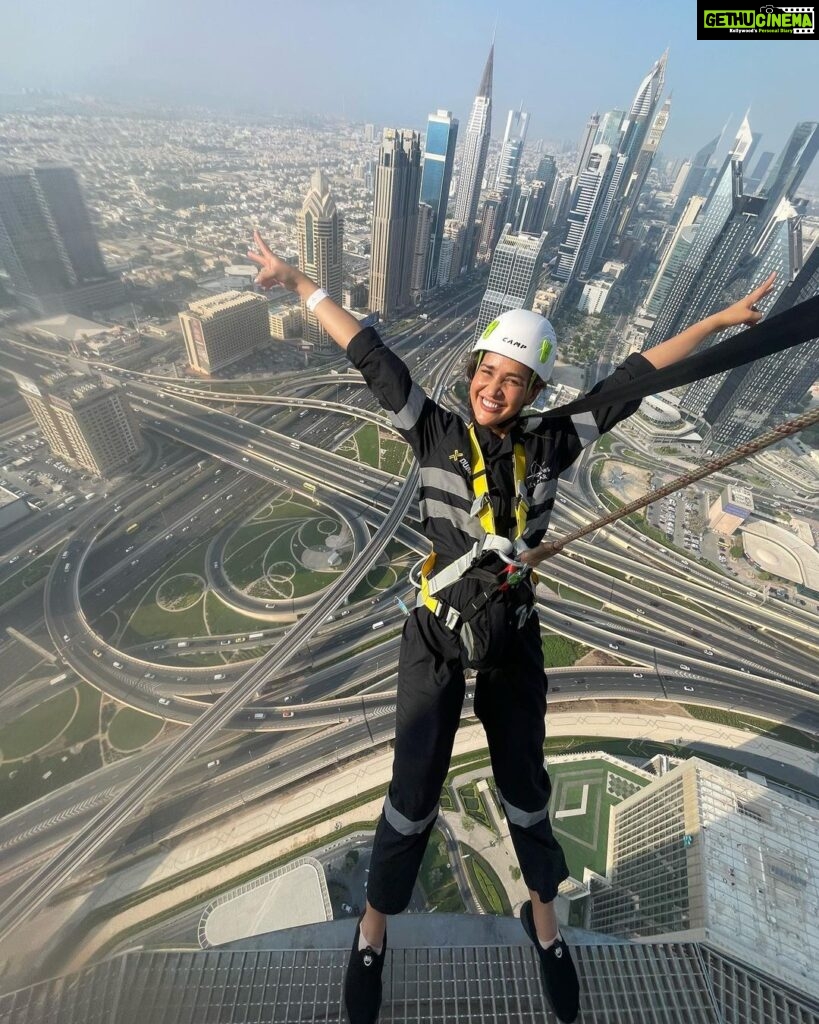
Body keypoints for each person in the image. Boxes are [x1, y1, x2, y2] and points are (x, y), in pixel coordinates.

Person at [247, 230, 774, 1024]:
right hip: (434, 632)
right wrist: (297, 285)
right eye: (487, 372)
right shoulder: (430, 429)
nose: (495, 387)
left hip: (510, 634)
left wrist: (718, 322)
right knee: (412, 791)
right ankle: (373, 930)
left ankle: (544, 924)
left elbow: (633, 377)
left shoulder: (553, 441)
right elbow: (370, 352)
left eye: (513, 379)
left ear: (532, 392)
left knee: (526, 787)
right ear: (472, 377)